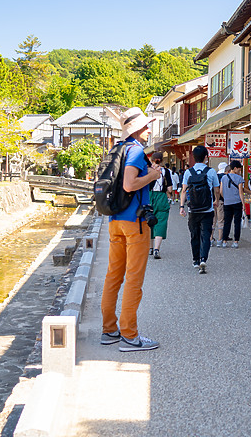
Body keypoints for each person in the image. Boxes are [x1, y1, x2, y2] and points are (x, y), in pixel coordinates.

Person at [100, 107, 162, 352]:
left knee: (113, 275)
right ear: (137, 130)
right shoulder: (136, 151)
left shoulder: (117, 148)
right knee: (133, 279)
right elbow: (129, 185)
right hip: (135, 222)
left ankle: (109, 330)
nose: (149, 130)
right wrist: (153, 175)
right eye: (146, 127)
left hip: (115, 220)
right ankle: (129, 336)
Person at [179, 146, 220, 274]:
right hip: (207, 209)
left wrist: (181, 207)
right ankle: (203, 259)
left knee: (194, 235)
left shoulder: (188, 172)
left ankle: (195, 260)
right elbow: (217, 189)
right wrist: (216, 200)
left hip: (193, 210)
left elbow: (184, 191)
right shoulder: (211, 171)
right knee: (206, 235)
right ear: (206, 157)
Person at [220, 160, 251, 248]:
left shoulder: (223, 178)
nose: (240, 171)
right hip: (237, 202)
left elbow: (221, 191)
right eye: (239, 169)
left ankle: (224, 241)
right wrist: (243, 204)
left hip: (227, 202)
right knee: (237, 222)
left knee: (227, 222)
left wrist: (226, 198)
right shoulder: (239, 178)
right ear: (235, 168)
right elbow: (241, 192)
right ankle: (236, 241)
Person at [148, 151, 173, 260]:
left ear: (151, 160)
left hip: (149, 197)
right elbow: (170, 189)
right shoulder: (166, 171)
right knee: (161, 222)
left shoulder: (148, 171)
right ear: (162, 161)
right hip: (162, 197)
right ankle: (157, 249)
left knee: (148, 221)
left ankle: (150, 248)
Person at [211, 162, 228, 247]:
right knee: (221, 221)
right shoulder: (225, 177)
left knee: (212, 221)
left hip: (212, 201)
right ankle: (219, 240)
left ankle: (210, 239)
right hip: (221, 201)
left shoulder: (214, 176)